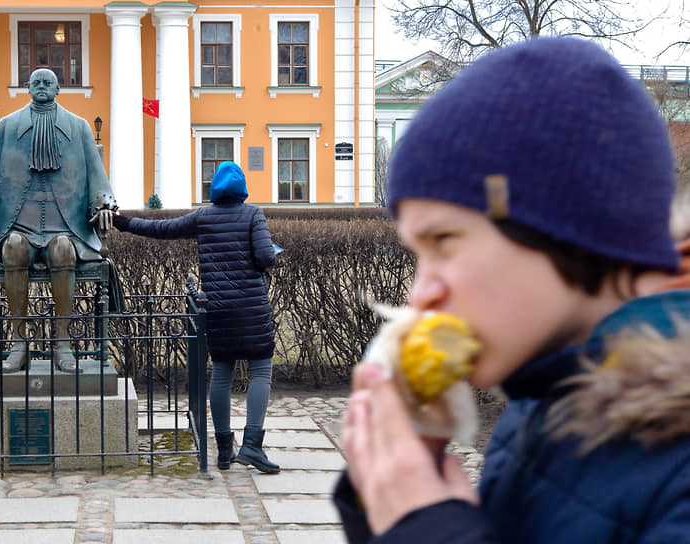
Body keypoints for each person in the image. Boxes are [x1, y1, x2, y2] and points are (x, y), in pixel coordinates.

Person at [334, 37, 690, 543]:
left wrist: (430, 531)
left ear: (569, 225)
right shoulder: (540, 402)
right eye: (418, 252)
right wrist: (391, 496)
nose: (420, 295)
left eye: (444, 240)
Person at [113, 161, 281, 473]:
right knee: (260, 372)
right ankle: (252, 447)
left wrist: (126, 223)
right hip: (251, 308)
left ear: (214, 189)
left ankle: (223, 449)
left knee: (220, 373)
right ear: (242, 189)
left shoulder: (204, 217)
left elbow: (163, 229)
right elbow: (265, 257)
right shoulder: (253, 214)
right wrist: (271, 253)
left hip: (217, 308)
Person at [0, 68, 117, 373]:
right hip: (17, 224)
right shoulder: (6, 126)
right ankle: (18, 343)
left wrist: (105, 206)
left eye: (48, 82)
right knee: (14, 248)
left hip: (67, 226)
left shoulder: (80, 127)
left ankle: (63, 343)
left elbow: (99, 183)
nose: (42, 86)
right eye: (36, 82)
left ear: (58, 89)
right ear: (27, 87)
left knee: (62, 251)